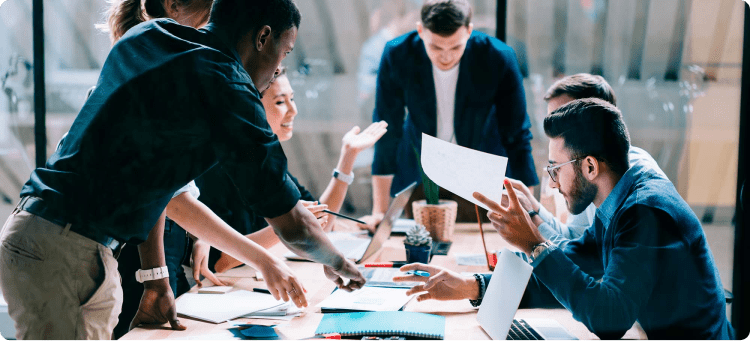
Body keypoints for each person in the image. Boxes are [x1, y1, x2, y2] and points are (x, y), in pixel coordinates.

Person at [0, 0, 365, 339]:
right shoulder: (227, 85)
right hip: (67, 252)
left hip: (47, 236)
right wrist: (336, 262)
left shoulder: (150, 35)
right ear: (263, 36)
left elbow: (156, 182)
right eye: (282, 53)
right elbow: (293, 225)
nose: (276, 71)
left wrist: (156, 278)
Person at [399, 99, 734, 339]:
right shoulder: (618, 200)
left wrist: (534, 243)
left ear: (589, 166)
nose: (552, 183)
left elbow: (609, 319)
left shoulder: (645, 211)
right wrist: (472, 285)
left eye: (555, 170)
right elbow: (575, 262)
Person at [363, 0, 538, 227]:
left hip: (480, 170)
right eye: (435, 47)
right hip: (421, 173)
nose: (446, 57)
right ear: (420, 31)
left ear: (469, 31)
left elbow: (517, 135)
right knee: (419, 244)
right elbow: (387, 131)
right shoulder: (397, 54)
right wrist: (380, 210)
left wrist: (529, 212)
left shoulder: (498, 57)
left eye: (456, 47)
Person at [201, 67, 388, 273]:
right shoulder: (219, 168)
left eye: (292, 99)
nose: (293, 110)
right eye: (280, 102)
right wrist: (290, 225)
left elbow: (319, 224)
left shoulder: (266, 162)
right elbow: (220, 261)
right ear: (249, 107)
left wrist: (348, 157)